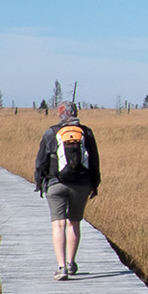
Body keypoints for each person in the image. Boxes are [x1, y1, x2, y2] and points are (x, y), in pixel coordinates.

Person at [33, 101, 101, 280]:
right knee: (74, 223)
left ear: (60, 114)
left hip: (55, 184)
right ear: (75, 113)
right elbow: (94, 161)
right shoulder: (86, 133)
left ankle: (61, 267)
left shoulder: (51, 132)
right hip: (81, 185)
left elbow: (41, 161)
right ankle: (71, 263)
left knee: (58, 224)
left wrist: (40, 183)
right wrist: (94, 184)